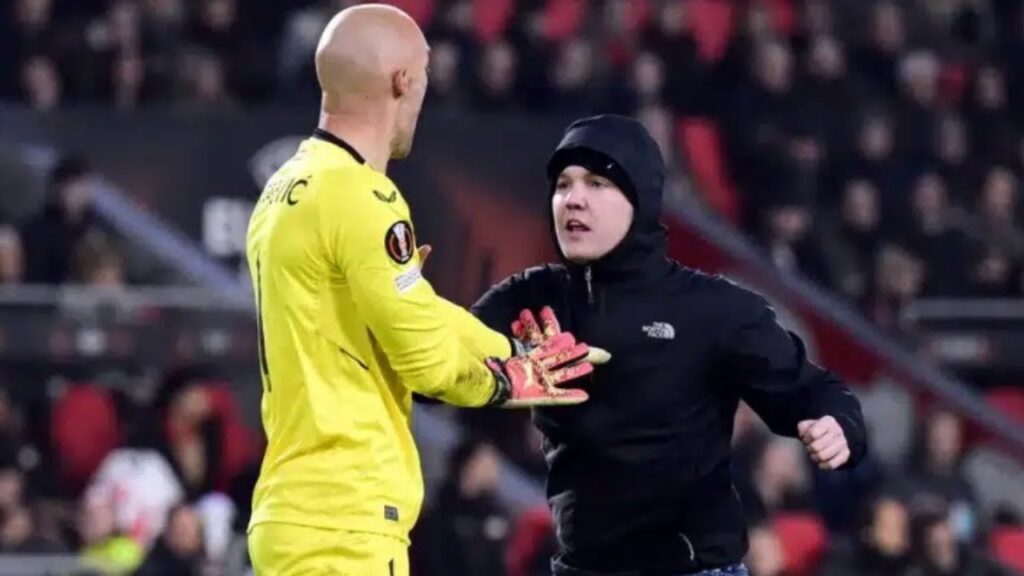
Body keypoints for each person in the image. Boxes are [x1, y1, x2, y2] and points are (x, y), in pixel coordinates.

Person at [243, 5, 605, 576]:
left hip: (299, 511)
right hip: (347, 523)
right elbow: (427, 360)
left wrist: (510, 350)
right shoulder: (364, 198)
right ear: (402, 81)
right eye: (425, 81)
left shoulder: (286, 188)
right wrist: (511, 381)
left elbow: (414, 317)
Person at [470, 114, 868, 575]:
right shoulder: (532, 298)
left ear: (640, 197)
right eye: (563, 184)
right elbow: (436, 364)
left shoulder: (711, 308)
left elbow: (814, 391)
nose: (573, 199)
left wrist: (839, 426)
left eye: (597, 183)